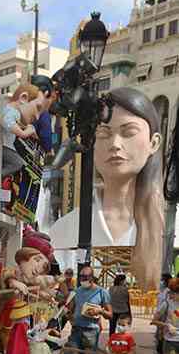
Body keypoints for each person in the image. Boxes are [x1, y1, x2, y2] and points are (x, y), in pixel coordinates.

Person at [49, 88, 164, 291]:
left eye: (129, 132)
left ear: (153, 143)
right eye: (103, 134)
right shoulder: (65, 229)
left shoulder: (167, 229)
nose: (115, 144)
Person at [0, 83, 43, 176]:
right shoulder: (12, 111)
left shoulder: (13, 111)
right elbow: (7, 121)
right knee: (17, 163)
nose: (37, 117)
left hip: (5, 146)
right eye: (37, 107)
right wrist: (26, 132)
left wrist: (26, 129)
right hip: (4, 146)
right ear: (23, 98)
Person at [68, 265, 112, 354]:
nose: (82, 279)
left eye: (85, 277)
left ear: (91, 277)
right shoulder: (76, 291)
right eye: (80, 276)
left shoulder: (101, 292)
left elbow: (110, 314)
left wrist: (100, 311)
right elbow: (70, 309)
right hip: (76, 329)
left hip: (91, 331)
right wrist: (71, 318)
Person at [151, 276, 179, 354]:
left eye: (173, 293)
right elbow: (154, 321)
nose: (171, 295)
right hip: (170, 341)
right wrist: (167, 325)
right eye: (171, 292)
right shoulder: (166, 304)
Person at [153, 273, 171, 354]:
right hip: (160, 314)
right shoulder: (163, 291)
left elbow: (165, 304)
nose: (161, 282)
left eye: (162, 280)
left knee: (161, 334)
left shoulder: (168, 291)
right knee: (159, 335)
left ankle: (162, 353)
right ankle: (160, 352)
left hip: (164, 316)